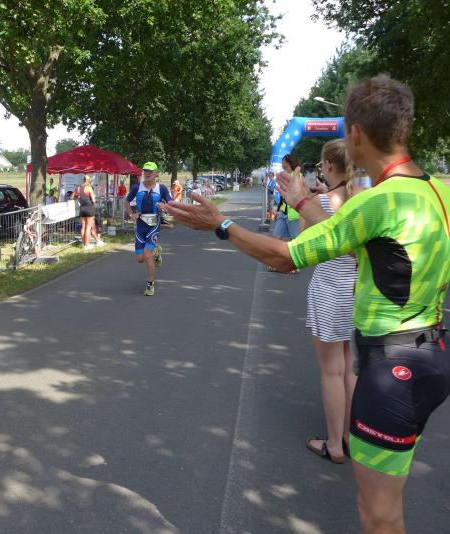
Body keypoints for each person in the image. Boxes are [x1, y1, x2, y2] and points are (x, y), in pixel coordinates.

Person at [165, 75, 450, 534]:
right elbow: (355, 245)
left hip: (390, 371)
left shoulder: (378, 202)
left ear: (355, 134)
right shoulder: (435, 192)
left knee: (379, 515)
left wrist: (222, 225)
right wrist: (301, 202)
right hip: (432, 357)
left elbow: (285, 258)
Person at [296, 139, 358, 465]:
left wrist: (304, 202)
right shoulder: (364, 198)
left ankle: (334, 444)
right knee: (349, 365)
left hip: (328, 290)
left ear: (328, 166)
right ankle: (350, 437)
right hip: (356, 290)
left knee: (331, 371)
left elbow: (301, 245)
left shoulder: (320, 202)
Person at [124, 162, 172, 296]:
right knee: (140, 259)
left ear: (156, 173)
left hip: (153, 226)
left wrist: (165, 206)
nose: (148, 173)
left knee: (146, 255)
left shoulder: (161, 188)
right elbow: (127, 201)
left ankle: (150, 284)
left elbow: (172, 204)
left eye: (150, 171)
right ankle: (157, 252)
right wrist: (131, 214)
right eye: (145, 171)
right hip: (140, 225)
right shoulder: (136, 187)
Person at [74, 175, 97, 249]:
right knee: (88, 227)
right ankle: (87, 245)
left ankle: (84, 244)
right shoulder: (89, 188)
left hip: (82, 208)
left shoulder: (78, 188)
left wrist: (79, 198)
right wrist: (93, 197)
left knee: (83, 227)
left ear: (83, 180)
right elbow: (93, 200)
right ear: (89, 180)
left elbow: (74, 196)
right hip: (89, 208)